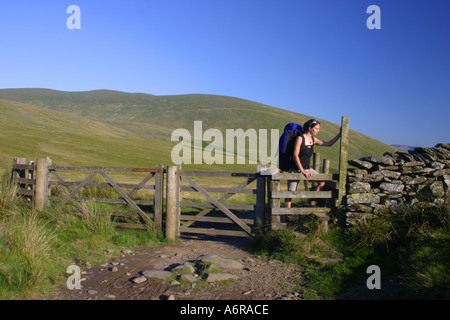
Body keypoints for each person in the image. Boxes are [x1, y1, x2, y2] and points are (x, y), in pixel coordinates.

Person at [285, 119, 341, 208]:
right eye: (316, 128)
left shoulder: (313, 139)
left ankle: (312, 201)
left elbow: (328, 144)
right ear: (310, 128)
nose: (318, 130)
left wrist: (339, 135)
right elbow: (295, 155)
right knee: (290, 194)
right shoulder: (300, 138)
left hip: (306, 168)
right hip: (295, 169)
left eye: (318, 129)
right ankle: (286, 214)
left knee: (322, 182)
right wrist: (303, 171)